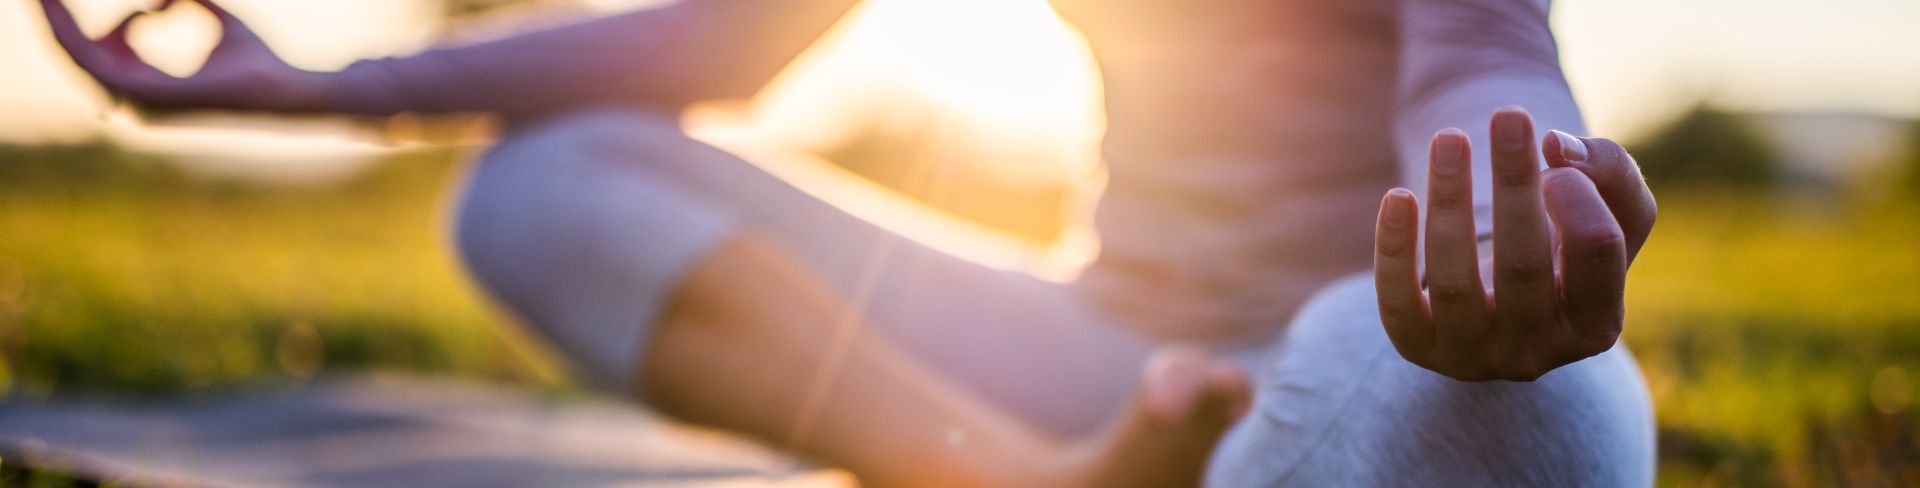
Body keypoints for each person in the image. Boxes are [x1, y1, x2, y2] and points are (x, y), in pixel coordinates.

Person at [37, 0, 1659, 485]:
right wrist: (322, 87)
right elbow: (713, 50)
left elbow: (1481, 54)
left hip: (1365, 341)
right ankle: (1039, 482)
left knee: (1555, 423)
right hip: (1093, 357)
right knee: (544, 184)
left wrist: (1519, 199)